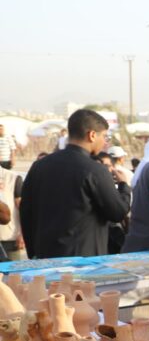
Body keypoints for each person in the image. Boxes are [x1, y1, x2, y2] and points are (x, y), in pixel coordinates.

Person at [21, 109, 131, 258]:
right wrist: (124, 187)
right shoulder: (95, 170)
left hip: (45, 258)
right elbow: (117, 212)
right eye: (105, 136)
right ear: (92, 135)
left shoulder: (39, 166)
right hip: (84, 263)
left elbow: (26, 212)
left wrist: (33, 252)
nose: (105, 142)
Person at [0, 159, 24, 260]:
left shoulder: (13, 179)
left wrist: (23, 235)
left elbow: (23, 210)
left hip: (9, 240)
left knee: (13, 274)